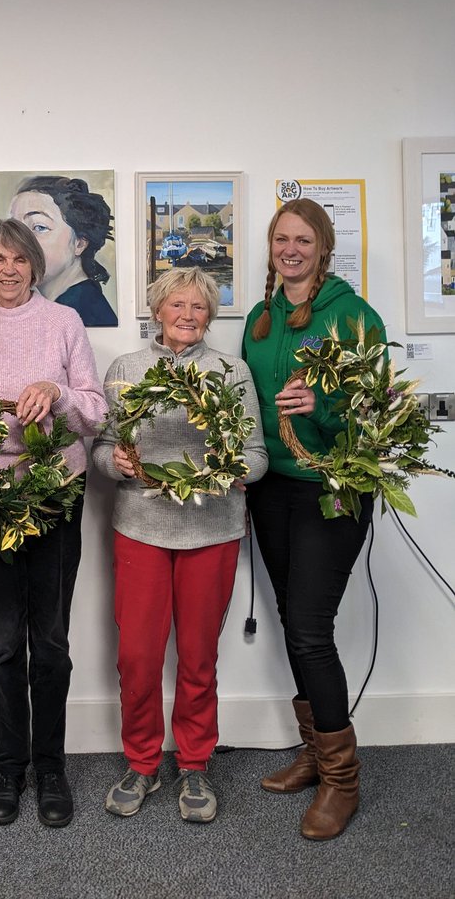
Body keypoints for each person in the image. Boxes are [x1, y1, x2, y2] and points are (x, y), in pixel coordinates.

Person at [0, 218, 107, 828]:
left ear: (35, 265)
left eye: (20, 259)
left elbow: (95, 412)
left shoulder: (64, 322)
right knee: (4, 639)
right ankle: (8, 767)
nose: (9, 270)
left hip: (56, 492)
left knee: (51, 639)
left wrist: (56, 393)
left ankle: (51, 767)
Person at [92, 267, 266, 824]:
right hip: (141, 527)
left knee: (198, 656)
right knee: (138, 657)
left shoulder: (231, 372)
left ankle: (194, 763)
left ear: (209, 316)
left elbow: (257, 455)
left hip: (212, 529)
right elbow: (101, 448)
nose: (187, 315)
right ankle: (141, 762)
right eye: (177, 304)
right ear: (157, 311)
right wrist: (116, 462)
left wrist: (235, 469)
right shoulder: (127, 369)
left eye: (198, 306)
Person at [242, 198, 385, 841]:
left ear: (324, 247)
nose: (290, 250)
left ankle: (341, 781)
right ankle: (315, 752)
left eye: (303, 239)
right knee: (290, 620)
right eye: (282, 239)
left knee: (308, 629)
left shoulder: (354, 317)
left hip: (333, 487)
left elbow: (377, 416)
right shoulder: (261, 319)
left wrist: (321, 408)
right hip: (272, 489)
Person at [8, 175, 118, 326]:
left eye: (39, 227)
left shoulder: (85, 311)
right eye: (13, 229)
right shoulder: (60, 305)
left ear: (80, 243)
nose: (19, 241)